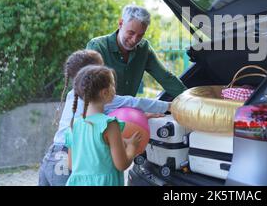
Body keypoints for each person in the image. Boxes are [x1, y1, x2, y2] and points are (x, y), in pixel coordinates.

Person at [38, 49, 170, 186]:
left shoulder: (75, 104)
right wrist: (169, 106)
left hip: (52, 156)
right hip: (63, 163)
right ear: (103, 90)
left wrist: (138, 118)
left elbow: (94, 129)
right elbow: (133, 102)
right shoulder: (109, 121)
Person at [86, 5, 186, 98]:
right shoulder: (97, 47)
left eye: (140, 35)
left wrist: (190, 99)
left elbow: (166, 78)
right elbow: (91, 90)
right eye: (131, 33)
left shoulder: (144, 49)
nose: (134, 40)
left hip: (127, 110)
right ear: (121, 24)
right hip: (97, 111)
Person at [65, 65, 139, 186]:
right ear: (105, 92)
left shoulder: (74, 125)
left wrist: (120, 142)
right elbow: (121, 165)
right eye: (113, 84)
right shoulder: (109, 124)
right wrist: (132, 146)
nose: (115, 88)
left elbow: (72, 164)